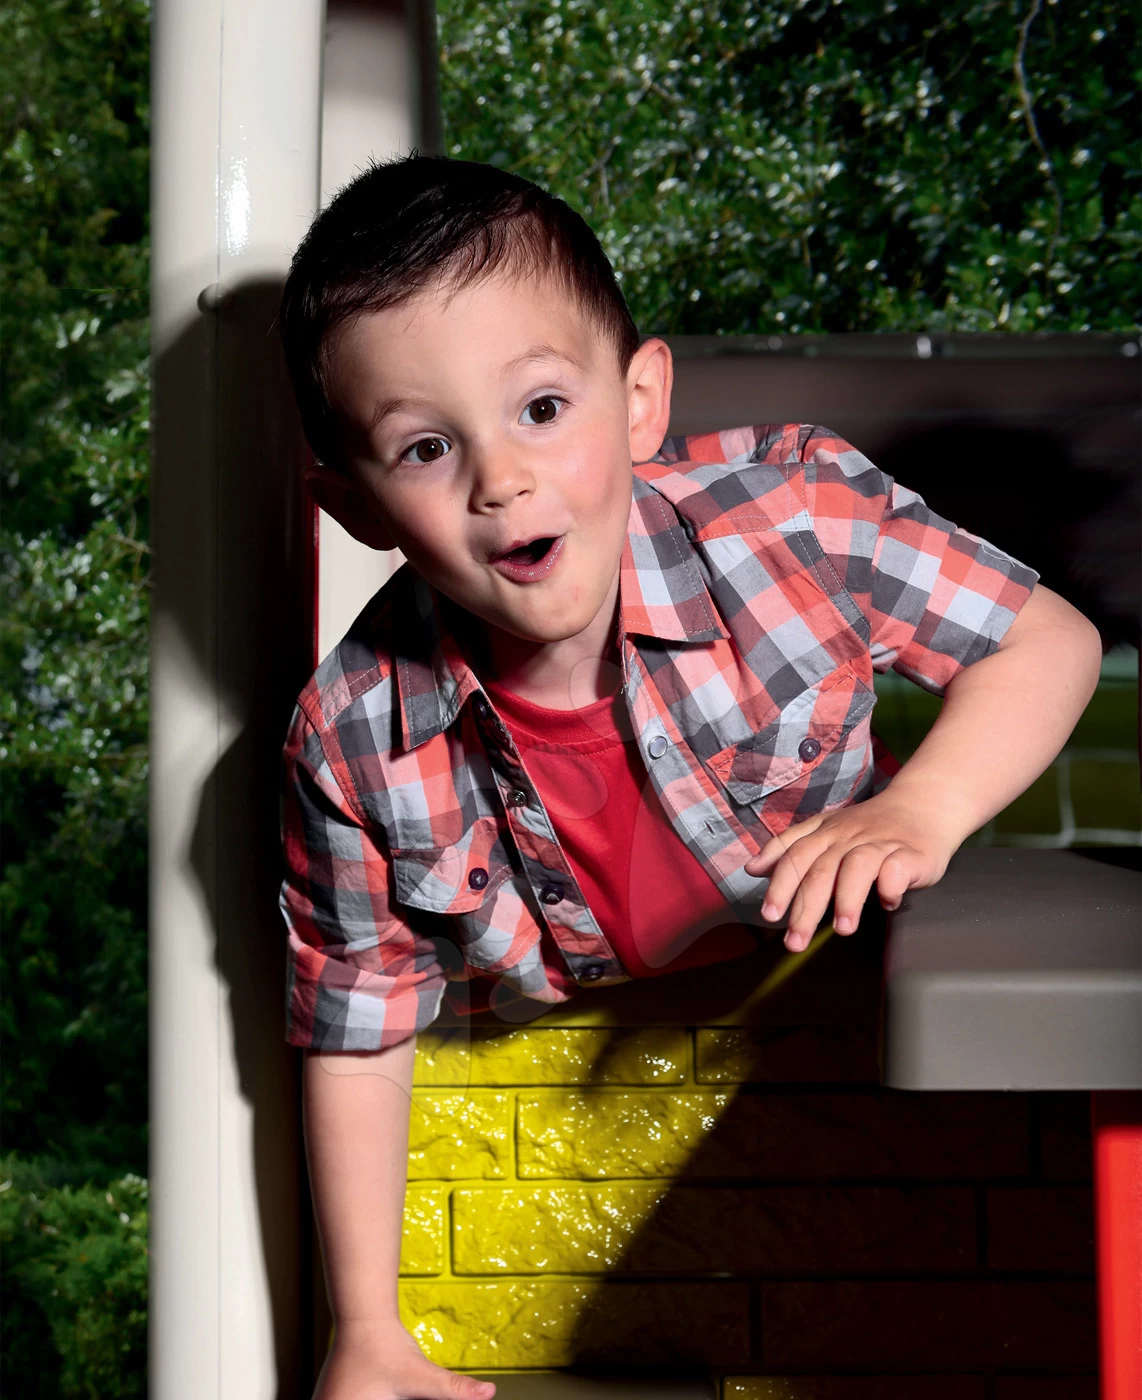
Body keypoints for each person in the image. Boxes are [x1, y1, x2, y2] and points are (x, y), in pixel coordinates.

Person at [275, 155, 1103, 1400]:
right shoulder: (351, 736)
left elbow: (1044, 640)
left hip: (824, 1003)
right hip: (564, 1075)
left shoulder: (790, 520)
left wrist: (917, 807)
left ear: (638, 399)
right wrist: (364, 1323)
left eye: (540, 407)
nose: (500, 478)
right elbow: (356, 1026)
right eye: (428, 446)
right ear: (357, 508)